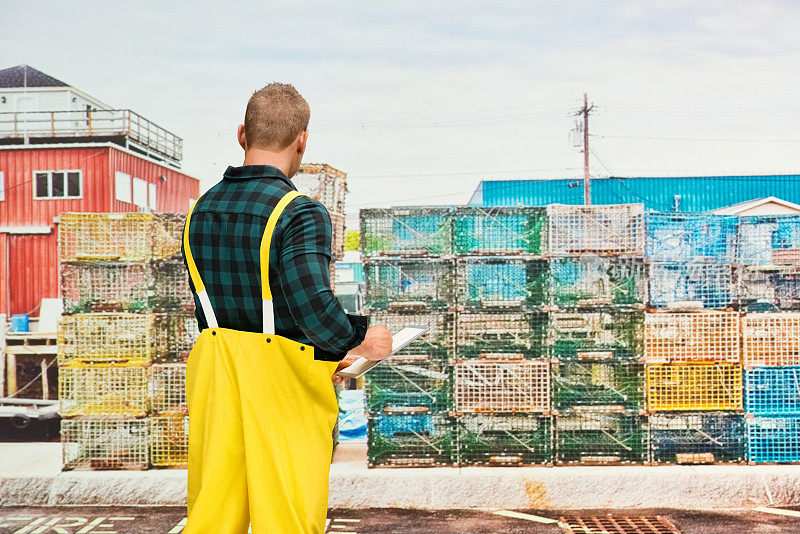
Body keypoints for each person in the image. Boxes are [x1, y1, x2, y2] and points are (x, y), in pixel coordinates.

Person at [181, 82, 393, 534]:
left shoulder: (199, 209)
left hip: (215, 385)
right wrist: (364, 340)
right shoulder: (299, 212)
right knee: (288, 520)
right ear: (302, 140)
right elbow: (313, 310)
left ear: (242, 134)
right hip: (282, 392)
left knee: (212, 518)